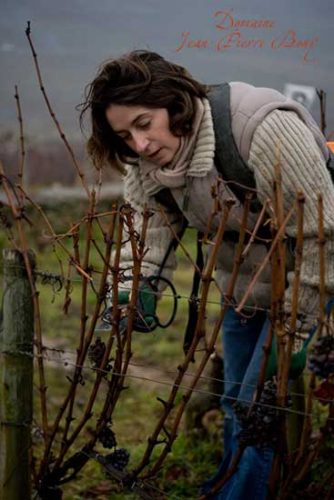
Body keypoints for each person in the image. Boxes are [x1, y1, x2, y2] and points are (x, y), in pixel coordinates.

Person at [80, 50, 334, 499]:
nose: (139, 145)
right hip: (243, 285)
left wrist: (295, 330)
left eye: (144, 123)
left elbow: (322, 235)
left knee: (260, 404)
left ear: (172, 103)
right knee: (237, 398)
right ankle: (228, 481)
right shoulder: (148, 160)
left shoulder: (260, 128)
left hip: (314, 278)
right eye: (124, 135)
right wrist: (130, 288)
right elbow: (149, 223)